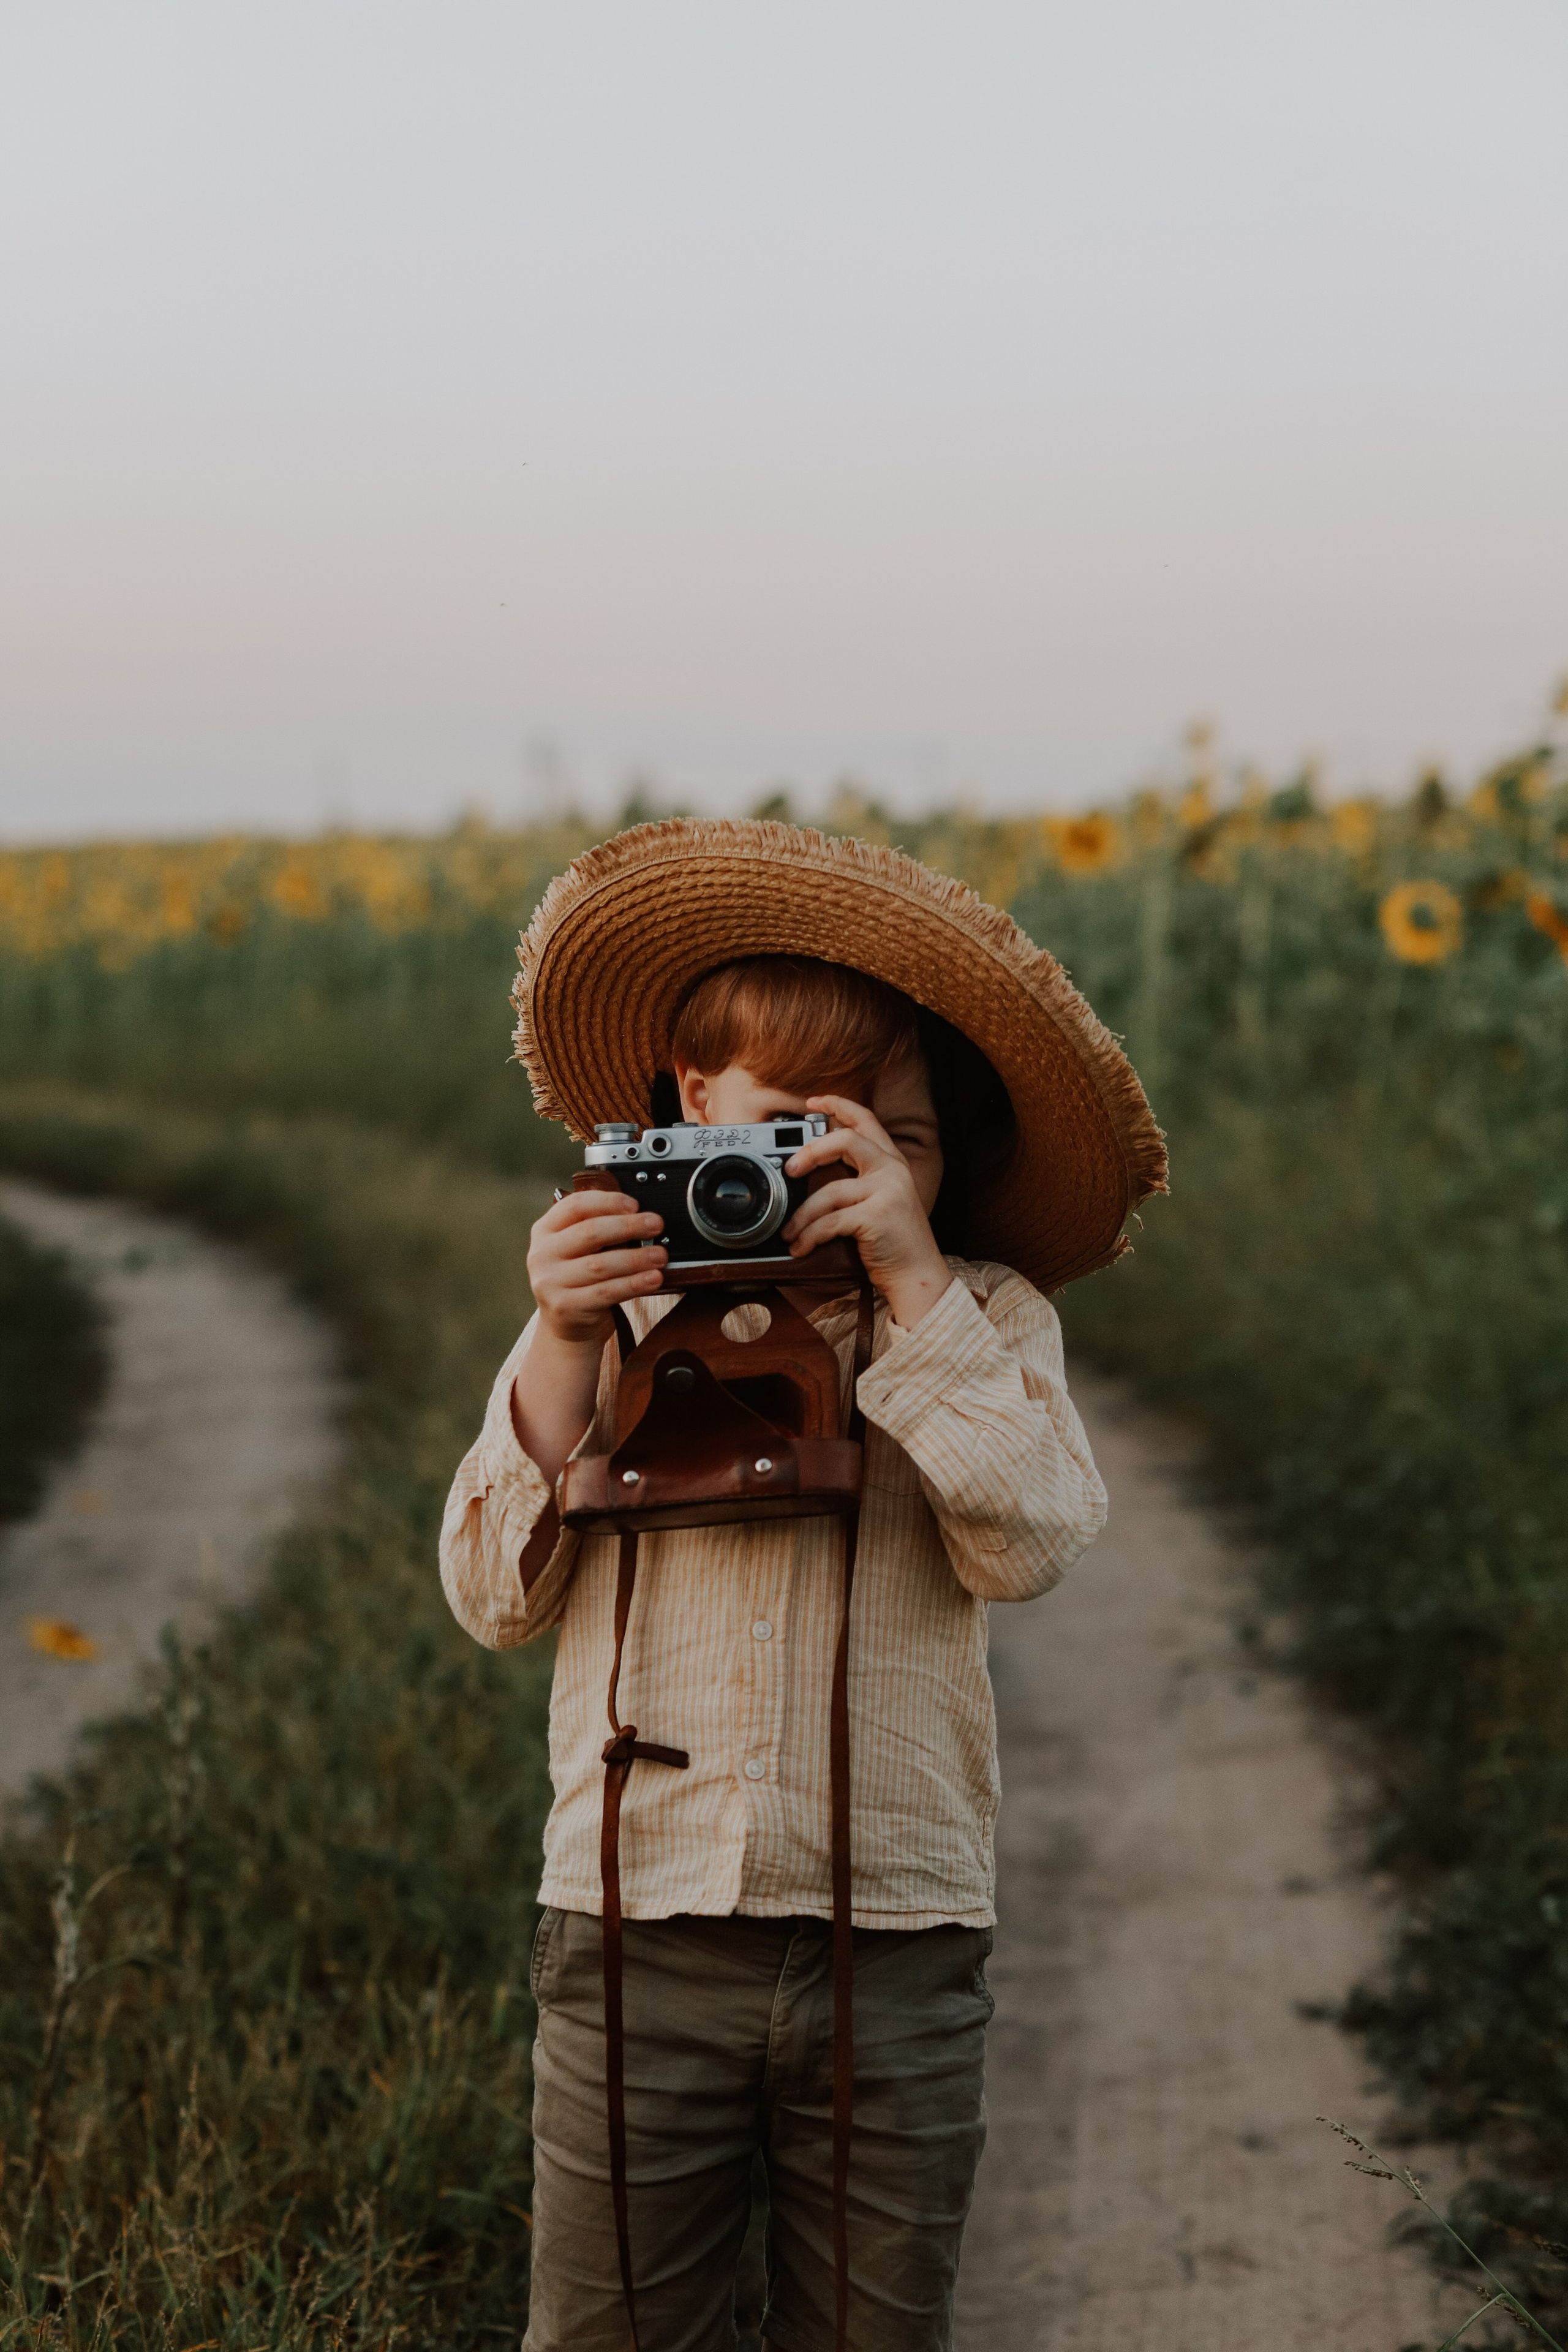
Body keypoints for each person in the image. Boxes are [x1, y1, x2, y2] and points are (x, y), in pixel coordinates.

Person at [440, 816, 1165, 2352]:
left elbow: (1029, 1545)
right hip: (636, 1923)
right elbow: (491, 1598)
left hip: (891, 1936)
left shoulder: (980, 1314)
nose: (833, 1177)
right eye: (785, 1130)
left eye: (889, 1143)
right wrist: (564, 1339)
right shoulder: (616, 1312)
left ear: (945, 1163)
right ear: (691, 1106)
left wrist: (910, 1290)